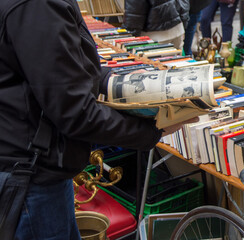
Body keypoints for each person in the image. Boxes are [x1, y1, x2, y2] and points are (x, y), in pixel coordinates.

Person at [0, 0, 197, 239]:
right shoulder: (38, 6)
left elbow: (63, 65)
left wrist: (114, 80)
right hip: (33, 173)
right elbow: (75, 112)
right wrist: (153, 131)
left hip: (32, 162)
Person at [124, 0, 190, 49]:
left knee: (155, 65)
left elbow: (134, 17)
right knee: (176, 63)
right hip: (177, 29)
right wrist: (183, 23)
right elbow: (184, 4)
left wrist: (128, 40)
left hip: (154, 35)